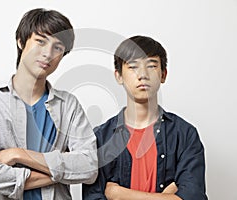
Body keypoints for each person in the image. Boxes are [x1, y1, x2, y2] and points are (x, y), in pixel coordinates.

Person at [0, 8, 97, 200]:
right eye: (41, 41)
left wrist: (18, 155)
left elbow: (89, 167)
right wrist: (58, 173)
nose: (48, 54)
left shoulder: (68, 105)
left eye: (58, 47)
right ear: (21, 41)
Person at [82, 35, 208, 200]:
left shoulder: (184, 134)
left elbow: (194, 196)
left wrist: (119, 194)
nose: (142, 75)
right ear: (119, 76)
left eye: (151, 66)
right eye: (133, 67)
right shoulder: (100, 138)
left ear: (163, 75)